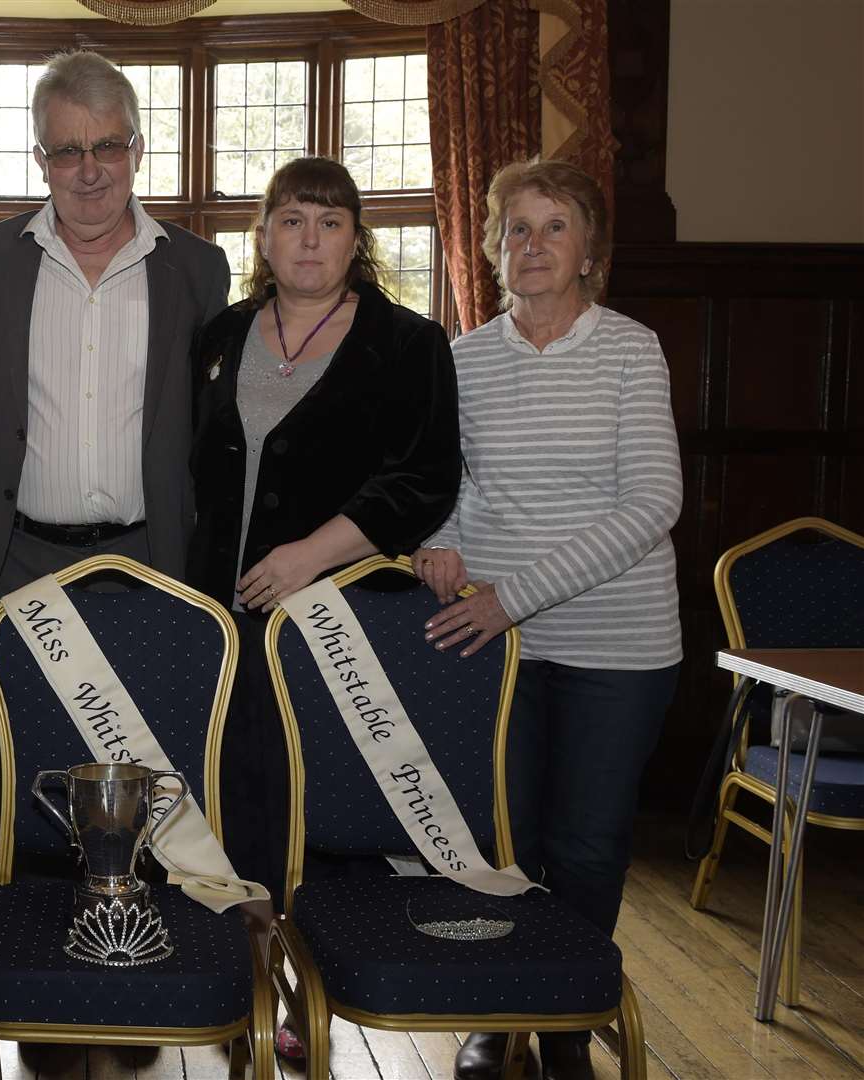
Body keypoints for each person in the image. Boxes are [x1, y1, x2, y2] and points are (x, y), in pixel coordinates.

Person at [186, 156, 460, 1062]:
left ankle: (319, 994)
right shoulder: (220, 335)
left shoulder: (410, 344)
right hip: (224, 622)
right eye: (293, 220)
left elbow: (422, 479)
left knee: (323, 806)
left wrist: (310, 555)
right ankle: (242, 983)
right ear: (262, 235)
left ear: (356, 239)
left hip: (339, 618)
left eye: (330, 222)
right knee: (236, 802)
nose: (310, 239)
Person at [414, 158, 682, 1080]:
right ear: (490, 249)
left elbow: (651, 505)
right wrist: (438, 543)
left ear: (589, 249)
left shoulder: (629, 349)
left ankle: (566, 1012)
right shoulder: (460, 359)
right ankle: (502, 1004)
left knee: (587, 842)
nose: (532, 245)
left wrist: (507, 598)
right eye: (514, 229)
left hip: (619, 645)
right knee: (503, 839)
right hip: (496, 645)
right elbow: (446, 490)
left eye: (553, 226)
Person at [0, 49, 229, 770]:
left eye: (107, 145)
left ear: (137, 149)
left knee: (149, 773)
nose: (89, 170)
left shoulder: (198, 268)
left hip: (147, 561)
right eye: (66, 150)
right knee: (34, 771)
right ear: (40, 159)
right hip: (21, 565)